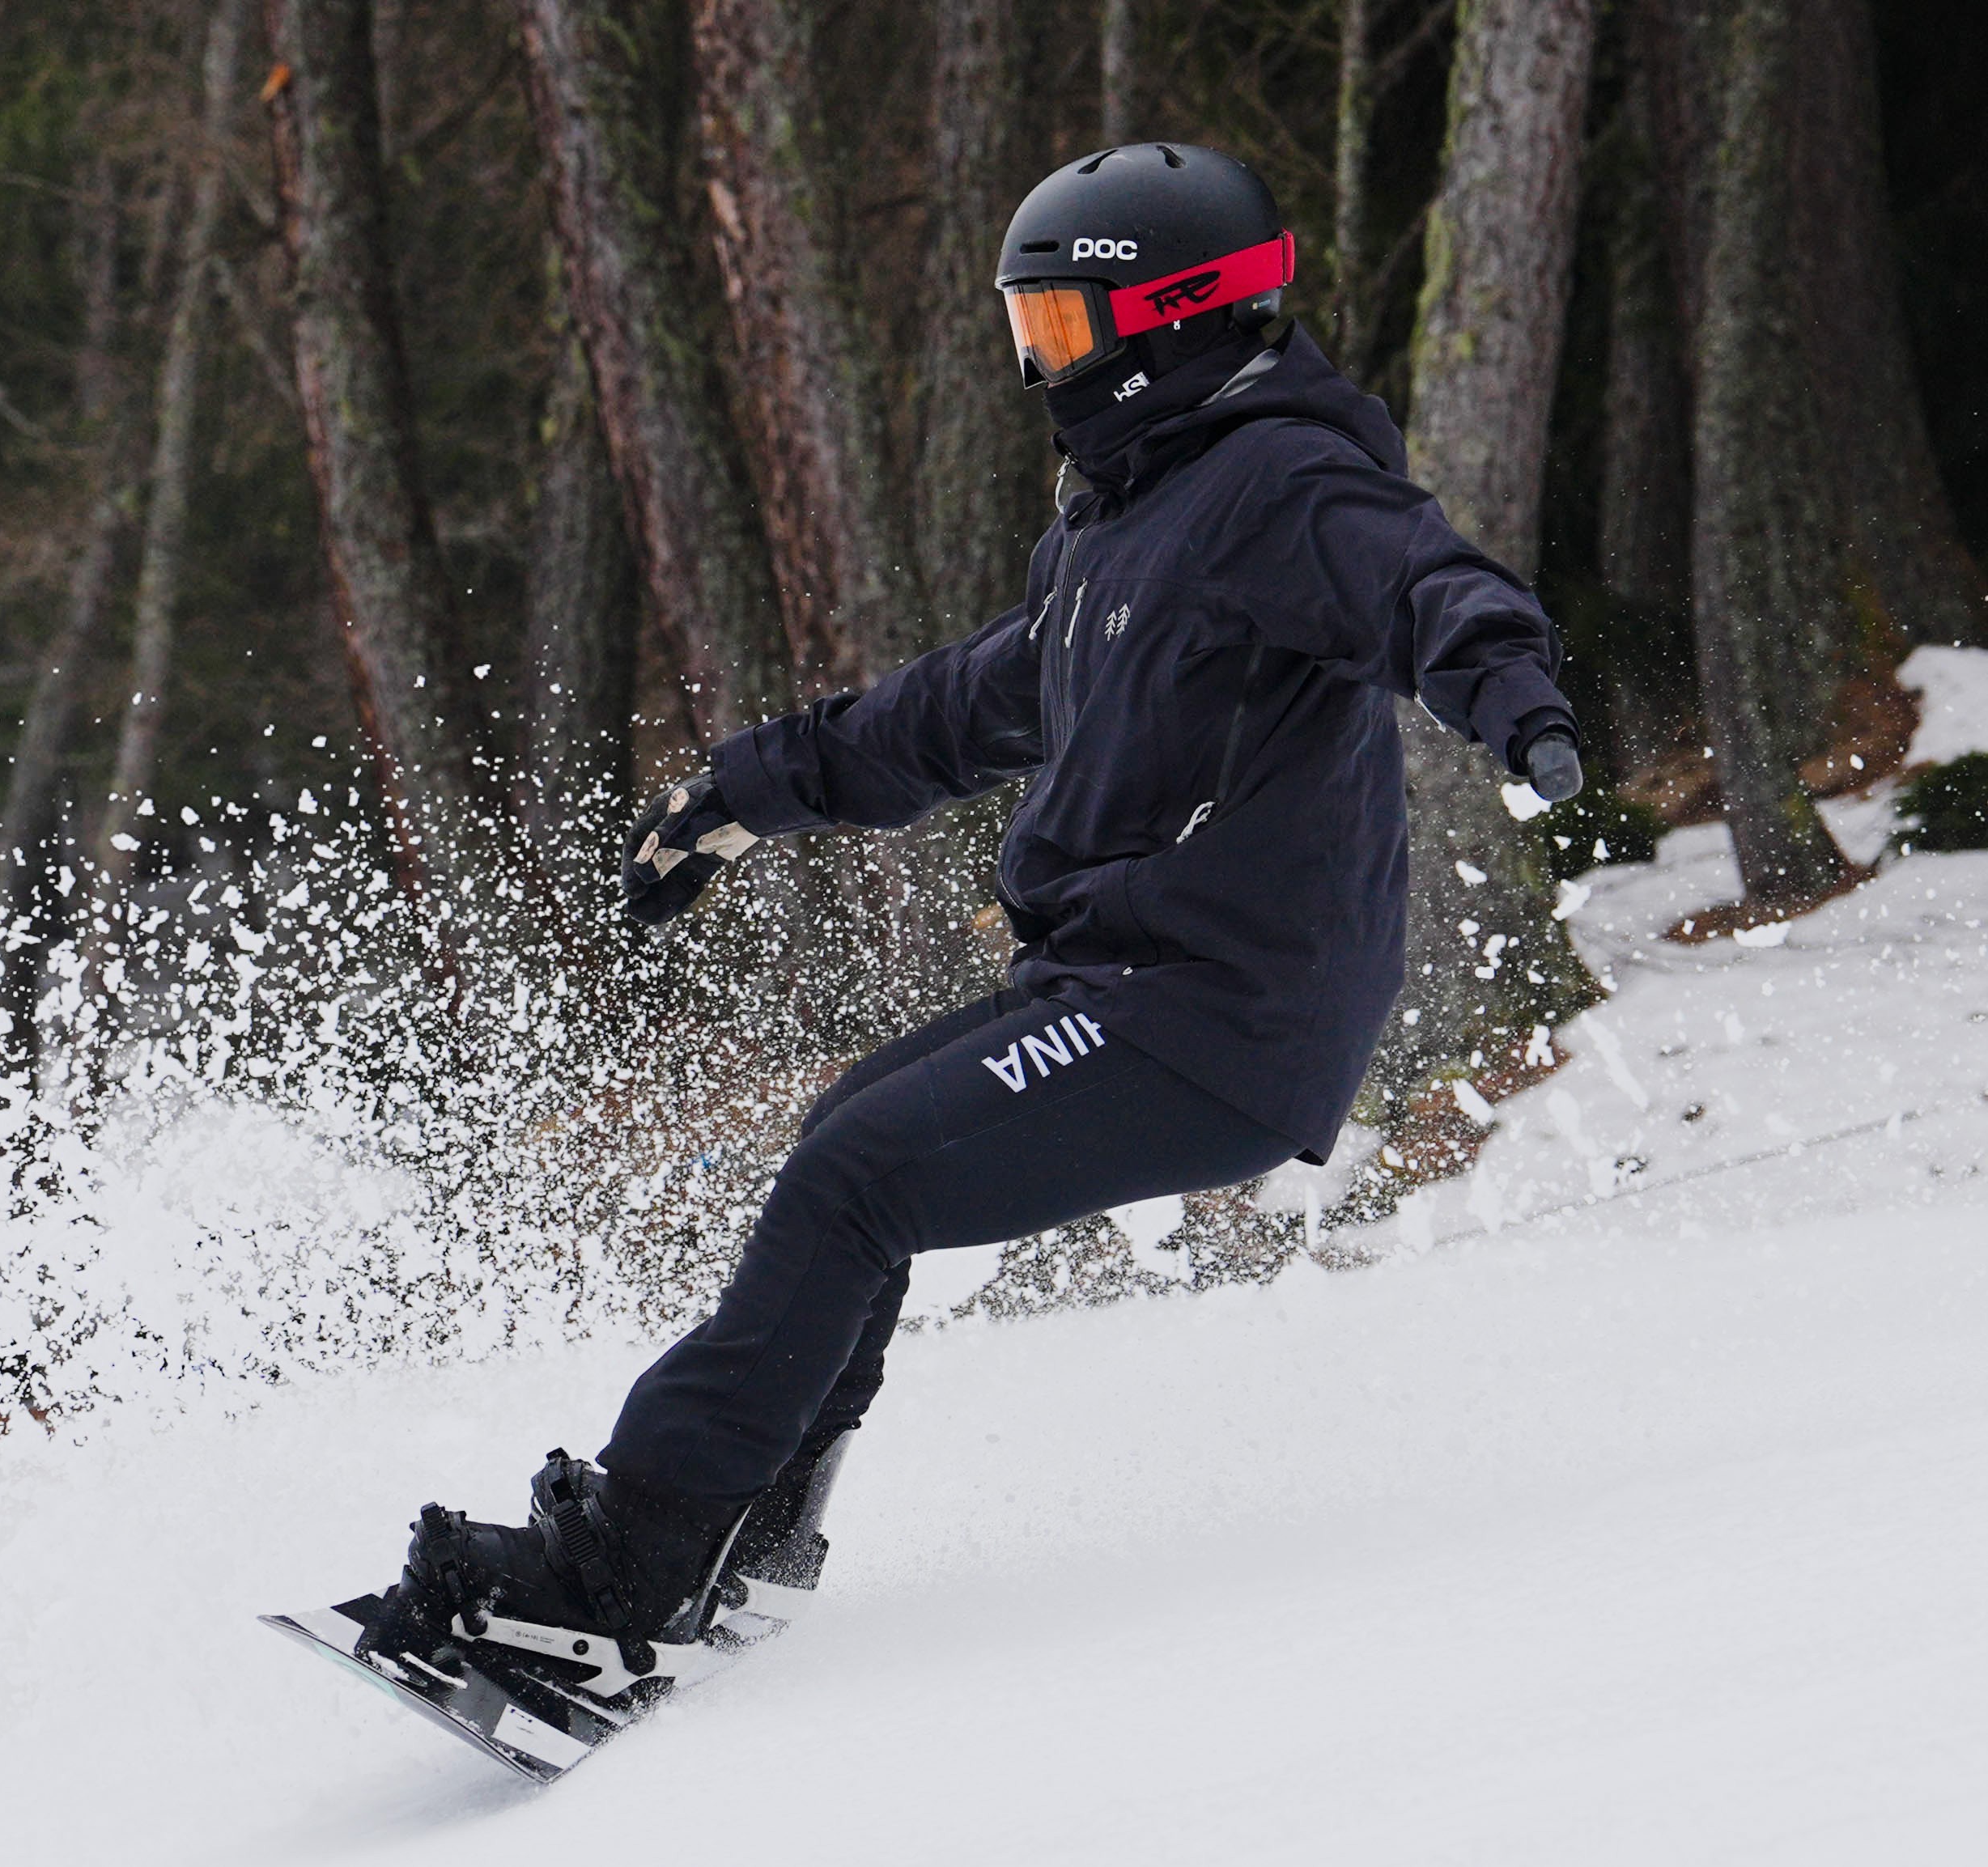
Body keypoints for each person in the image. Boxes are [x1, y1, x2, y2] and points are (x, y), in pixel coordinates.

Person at [360, 143, 1583, 1668]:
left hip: (1219, 1011)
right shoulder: (1110, 533)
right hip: (1122, 983)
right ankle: (742, 1530)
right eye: (1030, 330)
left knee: (859, 1177)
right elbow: (961, 708)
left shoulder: (1281, 482)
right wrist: (755, 786)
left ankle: (628, 1569)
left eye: (1063, 330)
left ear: (1177, 316)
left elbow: (1418, 578)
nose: (1040, 367)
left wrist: (1511, 691)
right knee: (843, 1143)